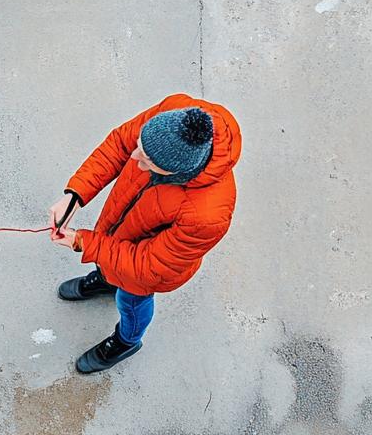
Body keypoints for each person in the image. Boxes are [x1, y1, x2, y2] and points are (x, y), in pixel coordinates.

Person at [48, 93, 241, 374]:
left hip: (150, 269)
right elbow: (119, 144)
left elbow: (147, 267)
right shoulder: (174, 111)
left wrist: (83, 242)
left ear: (176, 172)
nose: (134, 157)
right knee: (113, 262)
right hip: (121, 232)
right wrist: (75, 195)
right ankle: (107, 278)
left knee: (131, 300)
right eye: (140, 146)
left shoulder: (207, 216)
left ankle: (126, 341)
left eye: (147, 160)